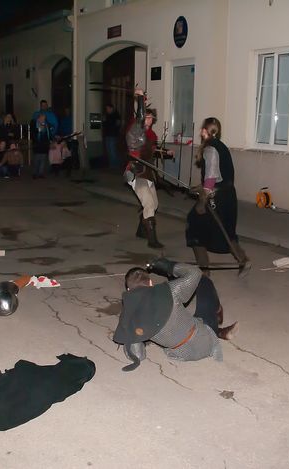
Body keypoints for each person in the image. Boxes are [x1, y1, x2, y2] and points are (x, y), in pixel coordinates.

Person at [113, 258, 238, 372]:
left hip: (182, 354)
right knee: (204, 282)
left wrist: (134, 340)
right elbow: (195, 273)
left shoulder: (128, 317)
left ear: (128, 290)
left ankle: (218, 329)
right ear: (150, 282)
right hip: (205, 341)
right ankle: (217, 325)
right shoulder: (169, 290)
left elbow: (139, 356)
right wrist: (167, 265)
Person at [186, 117, 251, 276]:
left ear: (204, 131)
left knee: (194, 228)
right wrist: (200, 187)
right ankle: (243, 260)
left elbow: (211, 177)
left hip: (216, 198)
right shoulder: (221, 146)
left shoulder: (210, 149)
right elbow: (221, 175)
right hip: (228, 195)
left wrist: (202, 201)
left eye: (202, 129)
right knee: (226, 232)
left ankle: (204, 272)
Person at [125, 88, 164, 249]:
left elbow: (151, 150)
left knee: (154, 204)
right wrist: (140, 98)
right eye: (146, 116)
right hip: (136, 171)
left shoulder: (151, 135)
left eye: (151, 118)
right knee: (148, 204)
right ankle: (152, 240)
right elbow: (140, 117)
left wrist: (165, 152)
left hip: (147, 173)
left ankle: (141, 230)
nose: (148, 119)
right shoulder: (136, 129)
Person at [31, 113, 51, 179]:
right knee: (36, 160)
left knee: (43, 160)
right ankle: (35, 173)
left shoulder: (47, 125)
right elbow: (32, 133)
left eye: (44, 118)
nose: (43, 120)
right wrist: (39, 129)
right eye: (42, 118)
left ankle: (41, 173)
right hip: (37, 145)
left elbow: (49, 134)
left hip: (44, 145)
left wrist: (50, 140)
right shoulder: (34, 124)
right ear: (38, 118)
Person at [103, 103, 121, 169]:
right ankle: (112, 166)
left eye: (108, 108)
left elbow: (117, 125)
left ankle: (115, 166)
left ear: (112, 108)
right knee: (109, 151)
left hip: (113, 135)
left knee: (112, 151)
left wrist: (108, 123)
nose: (107, 110)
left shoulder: (116, 115)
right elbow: (104, 125)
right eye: (106, 109)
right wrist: (104, 121)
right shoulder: (106, 115)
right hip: (107, 135)